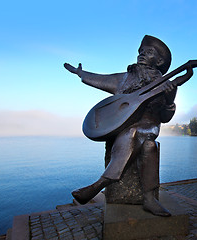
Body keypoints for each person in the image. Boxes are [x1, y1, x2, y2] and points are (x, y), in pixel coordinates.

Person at [64, 35, 180, 217]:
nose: (141, 54)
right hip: (125, 126)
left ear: (159, 61)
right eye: (140, 51)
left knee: (138, 134)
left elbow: (165, 118)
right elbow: (100, 78)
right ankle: (149, 198)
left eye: (148, 52)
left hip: (150, 126)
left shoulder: (167, 84)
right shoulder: (124, 78)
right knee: (148, 146)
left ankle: (100, 184)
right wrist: (81, 73)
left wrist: (170, 100)